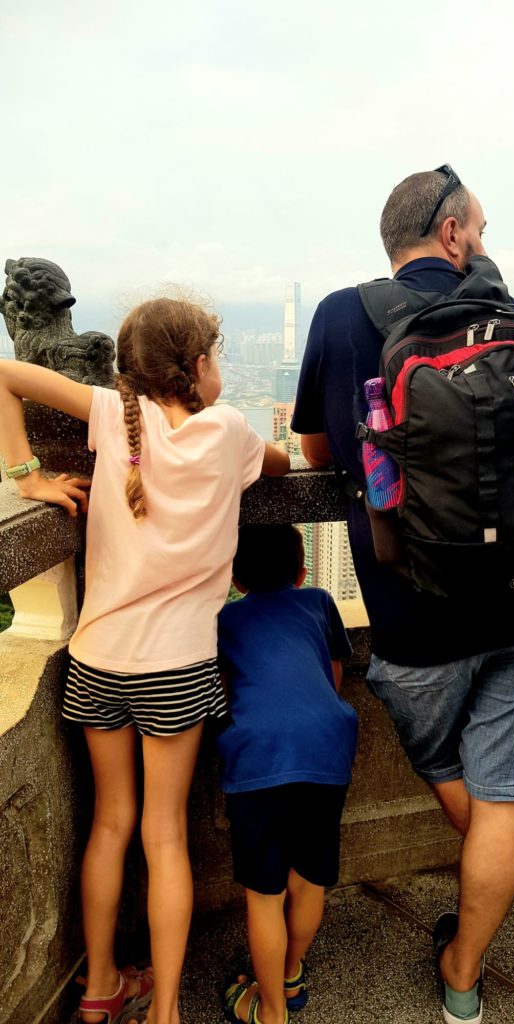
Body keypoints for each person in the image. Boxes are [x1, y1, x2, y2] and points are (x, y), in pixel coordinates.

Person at [291, 165, 514, 1023]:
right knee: (503, 796)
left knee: (463, 785)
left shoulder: (340, 315)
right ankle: (463, 981)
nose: (482, 244)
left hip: (417, 617)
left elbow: (316, 453)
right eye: (479, 229)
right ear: (451, 233)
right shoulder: (508, 313)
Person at [0, 297, 290, 1024]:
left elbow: (3, 375)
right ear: (199, 366)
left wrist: (27, 476)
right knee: (165, 837)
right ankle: (164, 1011)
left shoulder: (109, 414)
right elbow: (283, 463)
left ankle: (101, 986)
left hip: (98, 659)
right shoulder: (229, 429)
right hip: (177, 669)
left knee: (110, 823)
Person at [217, 524, 358, 1024]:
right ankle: (291, 971)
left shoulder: (224, 618)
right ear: (302, 571)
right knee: (310, 878)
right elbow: (333, 677)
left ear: (236, 578)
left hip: (259, 756)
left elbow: (226, 690)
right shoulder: (319, 601)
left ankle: (271, 1009)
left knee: (265, 894)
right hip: (327, 749)